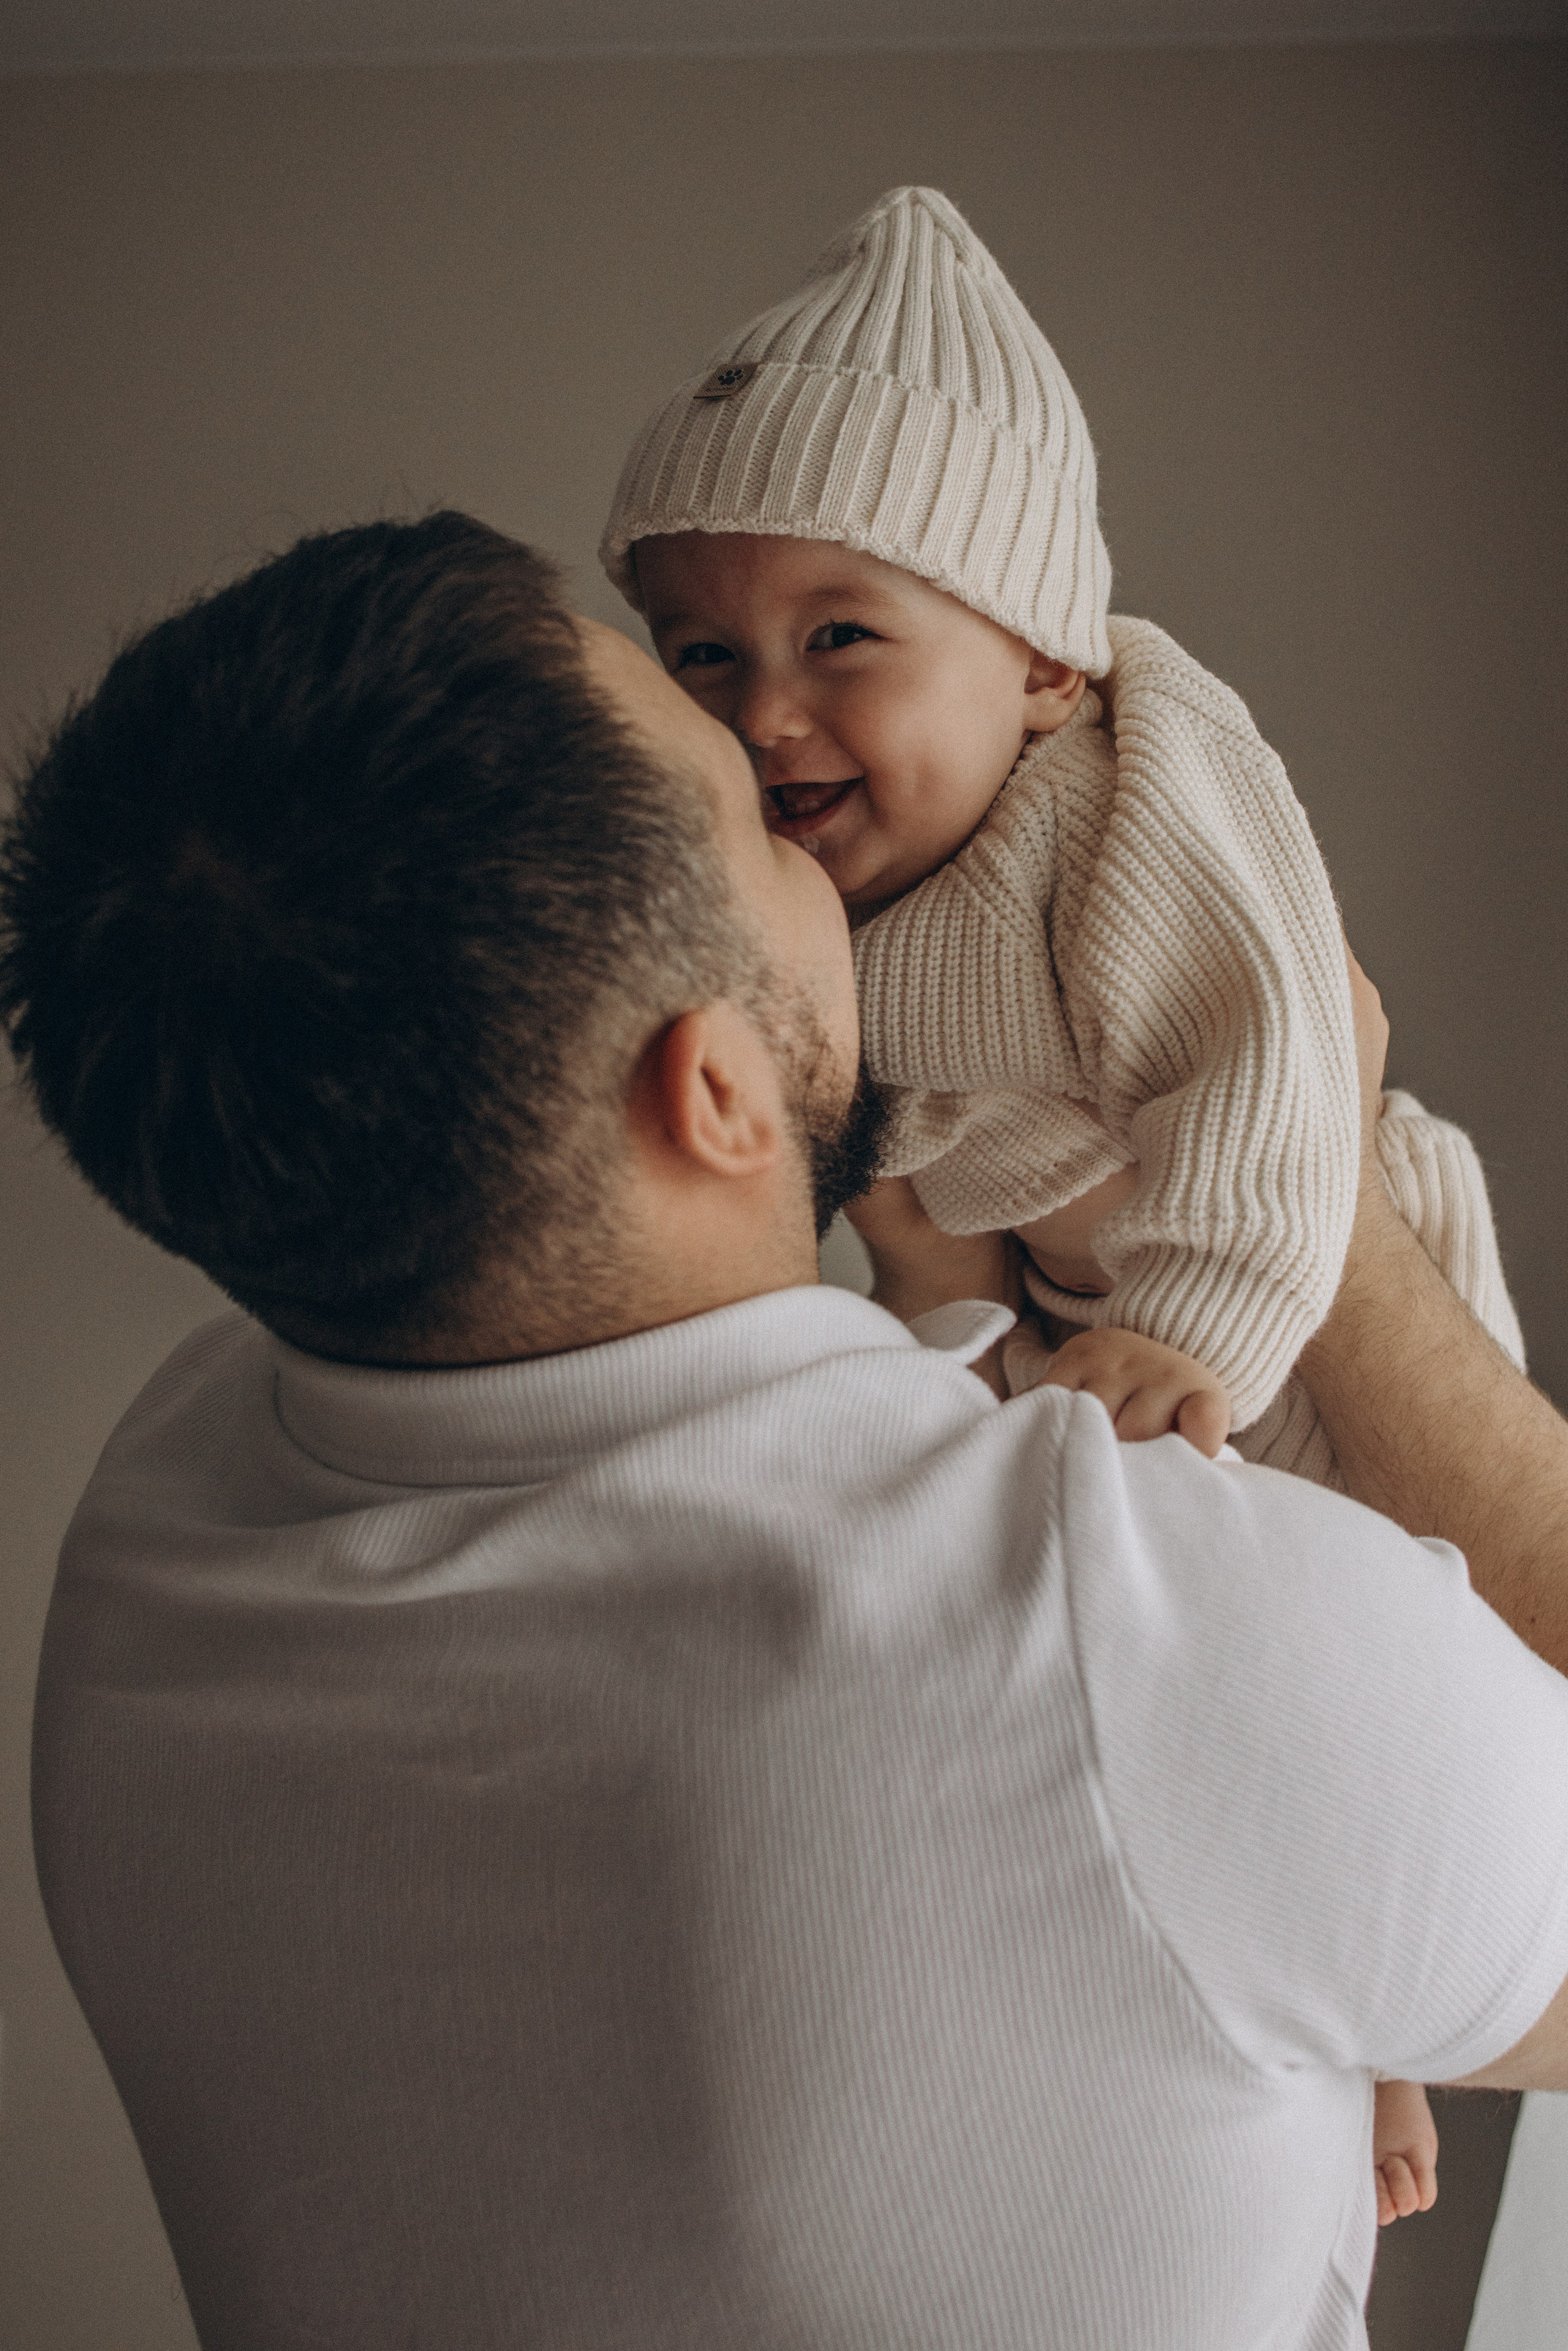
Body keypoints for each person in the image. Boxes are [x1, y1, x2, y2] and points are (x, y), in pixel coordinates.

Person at [6, 511, 1568, 2351]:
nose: (792, 782)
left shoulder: (153, 1531)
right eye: (750, 814)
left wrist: (940, 1307)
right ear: (721, 1093)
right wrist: (1332, 1184)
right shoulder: (1114, 1631)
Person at [601, 182, 1526, 2202]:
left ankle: (1408, 2021)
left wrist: (1186, 1321)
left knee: (1403, 1635)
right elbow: (908, 1197)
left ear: (1036, 659)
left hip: (1280, 1252)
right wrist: (976, 1342)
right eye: (705, 652)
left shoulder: (1131, 791)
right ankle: (1365, 2023)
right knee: (1250, 1730)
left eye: (842, 636)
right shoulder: (822, 900)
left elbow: (1280, 1058)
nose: (766, 710)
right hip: (1100, 1333)